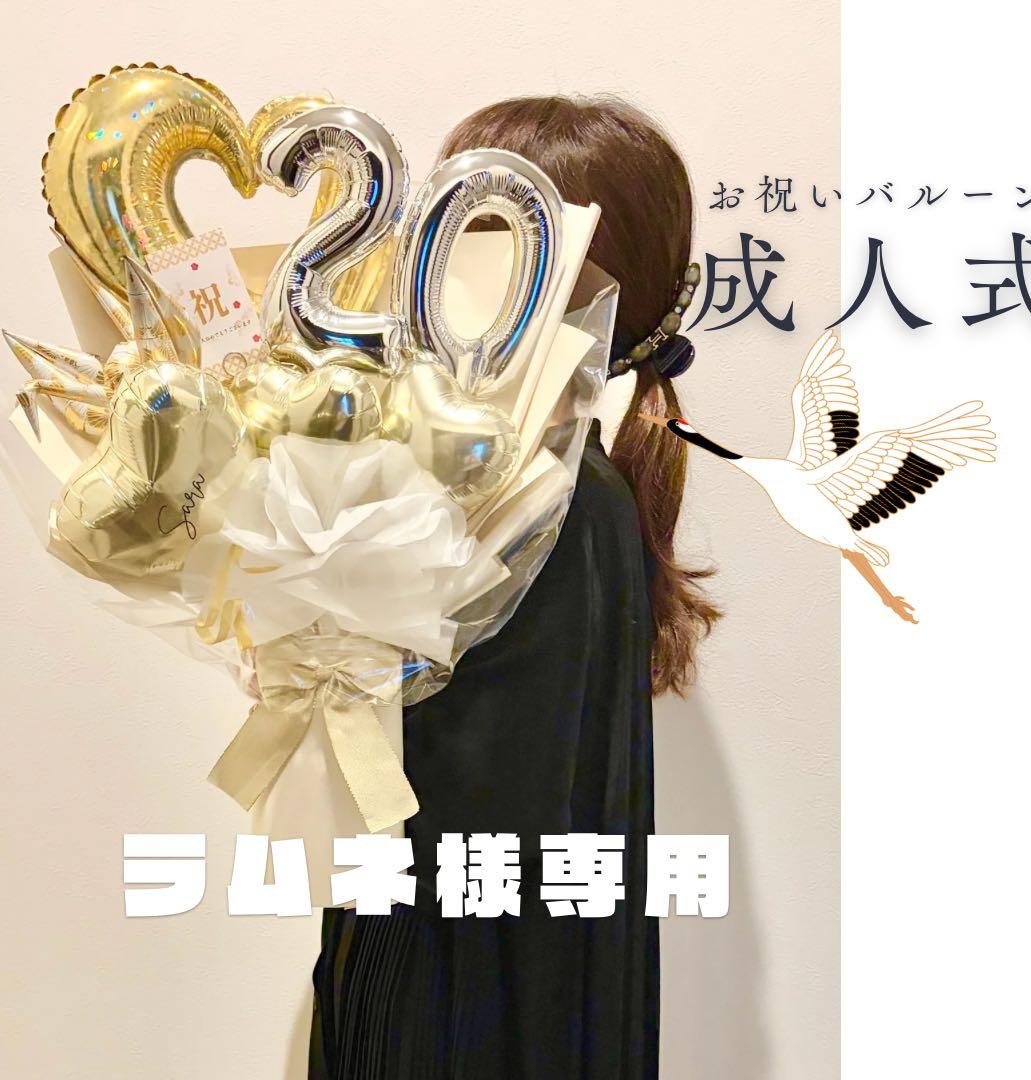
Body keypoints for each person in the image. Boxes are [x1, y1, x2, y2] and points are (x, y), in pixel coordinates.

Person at [309, 95, 719, 1080]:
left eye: (474, 230)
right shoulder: (524, 490)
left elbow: (491, 826)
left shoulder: (553, 501)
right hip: (460, 977)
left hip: (463, 1005)